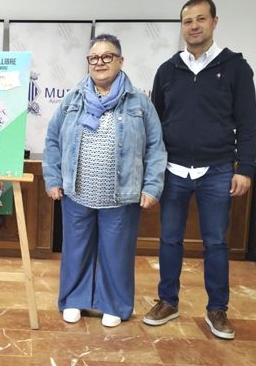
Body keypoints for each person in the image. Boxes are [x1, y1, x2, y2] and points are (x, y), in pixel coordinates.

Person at [143, 0, 256, 340]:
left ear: (214, 22)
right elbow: (155, 124)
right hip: (174, 170)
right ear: (182, 27)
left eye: (201, 19)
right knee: (169, 240)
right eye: (187, 21)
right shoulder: (167, 70)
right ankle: (168, 301)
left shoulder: (235, 67)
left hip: (218, 170)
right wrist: (152, 167)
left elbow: (248, 122)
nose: (194, 26)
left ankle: (217, 310)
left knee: (216, 243)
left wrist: (245, 168)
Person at [43, 33, 166, 327]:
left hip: (121, 194)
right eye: (94, 58)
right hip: (76, 191)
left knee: (117, 253)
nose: (100, 63)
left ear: (120, 61)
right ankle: (74, 300)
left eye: (107, 56)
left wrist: (152, 186)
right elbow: (52, 140)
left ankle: (114, 304)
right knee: (76, 250)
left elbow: (155, 146)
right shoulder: (73, 99)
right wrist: (53, 178)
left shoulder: (139, 102)